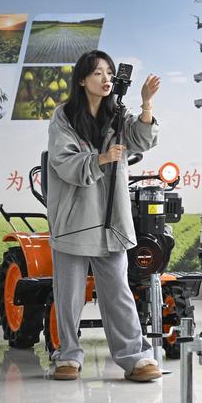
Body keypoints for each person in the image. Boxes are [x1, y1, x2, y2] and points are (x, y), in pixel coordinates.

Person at [45, 49, 162, 382]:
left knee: (118, 291)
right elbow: (64, 161)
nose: (106, 79)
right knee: (69, 295)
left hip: (111, 219)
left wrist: (146, 104)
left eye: (110, 73)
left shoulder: (118, 115)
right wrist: (102, 159)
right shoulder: (64, 117)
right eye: (98, 73)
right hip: (74, 219)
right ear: (82, 80)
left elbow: (142, 140)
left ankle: (134, 356)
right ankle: (68, 355)